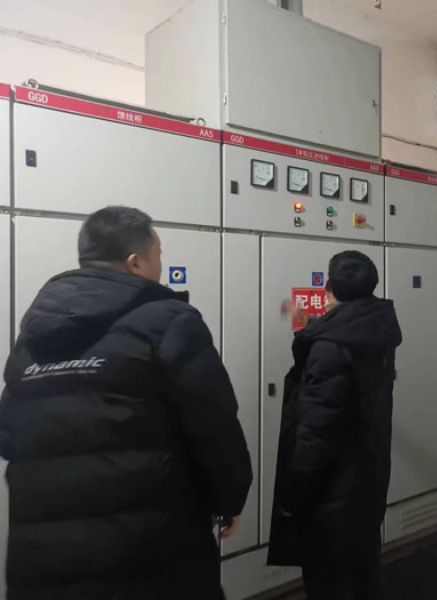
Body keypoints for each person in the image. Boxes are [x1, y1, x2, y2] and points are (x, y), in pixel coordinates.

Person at [0, 206, 252, 600]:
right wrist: (229, 499)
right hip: (149, 554)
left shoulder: (33, 335)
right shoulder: (169, 321)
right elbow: (213, 425)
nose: (161, 264)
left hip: (44, 561)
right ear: (136, 262)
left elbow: (9, 436)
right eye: (158, 254)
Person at [267, 250, 402, 600]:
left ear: (329, 288)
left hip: (331, 495)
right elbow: (344, 346)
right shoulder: (377, 327)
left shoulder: (329, 349)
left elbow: (316, 433)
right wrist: (311, 327)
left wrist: (294, 494)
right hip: (366, 480)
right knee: (363, 570)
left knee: (330, 581)